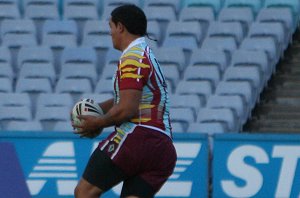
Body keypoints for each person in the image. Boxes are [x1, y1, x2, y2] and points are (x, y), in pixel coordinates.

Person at [72, 4, 177, 198]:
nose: (110, 32)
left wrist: (98, 122)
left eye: (111, 26)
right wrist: (97, 109)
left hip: (139, 136)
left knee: (84, 192)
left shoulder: (132, 57)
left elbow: (127, 109)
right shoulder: (146, 54)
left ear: (120, 27)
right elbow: (128, 98)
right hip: (162, 148)